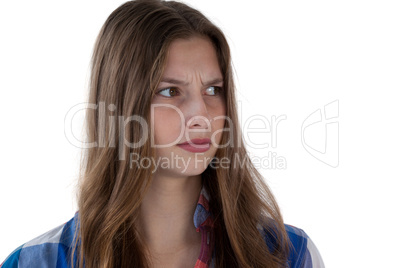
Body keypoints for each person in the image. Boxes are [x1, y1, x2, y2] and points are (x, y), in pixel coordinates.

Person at [1, 0, 325, 267]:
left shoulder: (287, 255)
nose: (202, 115)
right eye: (171, 92)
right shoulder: (34, 263)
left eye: (213, 89)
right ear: (121, 106)